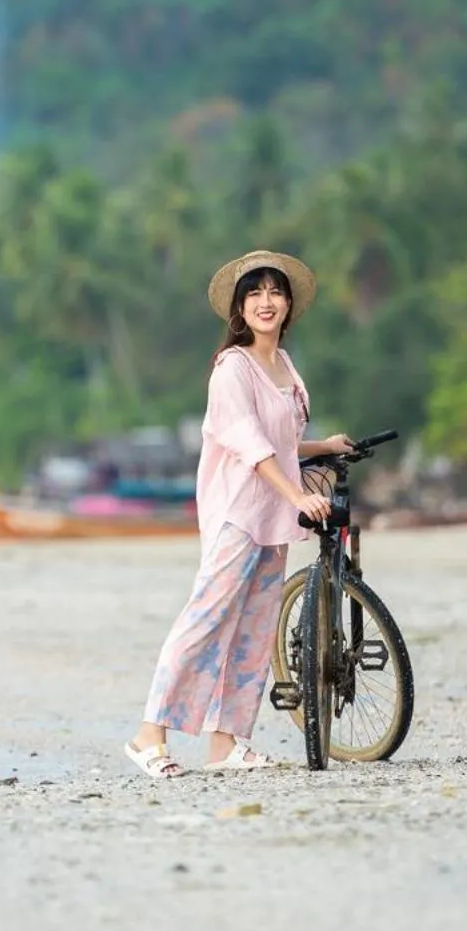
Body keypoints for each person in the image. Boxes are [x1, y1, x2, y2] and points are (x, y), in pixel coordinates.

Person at [125, 250, 355, 777]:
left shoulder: (285, 366)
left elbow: (282, 441)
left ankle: (226, 744)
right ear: (239, 307)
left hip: (273, 517)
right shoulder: (233, 367)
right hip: (238, 513)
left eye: (276, 292)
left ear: (289, 303)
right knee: (206, 621)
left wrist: (323, 446)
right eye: (255, 293)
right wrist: (299, 497)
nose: (266, 302)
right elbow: (251, 445)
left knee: (255, 633)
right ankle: (148, 735)